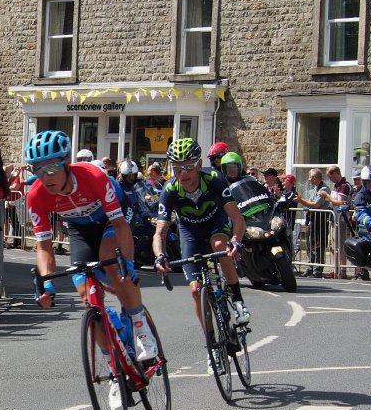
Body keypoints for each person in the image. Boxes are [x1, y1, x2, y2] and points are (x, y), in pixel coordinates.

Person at [26, 130, 159, 383]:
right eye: (38, 170)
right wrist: (47, 284)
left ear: (66, 163)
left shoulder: (93, 176)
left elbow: (120, 225)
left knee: (111, 262)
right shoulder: (36, 195)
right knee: (87, 298)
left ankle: (142, 330)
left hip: (113, 219)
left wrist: (128, 264)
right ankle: (115, 371)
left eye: (52, 168)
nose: (46, 177)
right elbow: (44, 246)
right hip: (80, 229)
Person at [153, 138, 250, 353]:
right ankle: (212, 344)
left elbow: (237, 218)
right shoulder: (170, 189)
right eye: (177, 167)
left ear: (198, 164)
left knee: (218, 246)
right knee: (196, 290)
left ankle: (238, 300)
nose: (183, 173)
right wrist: (160, 256)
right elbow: (160, 231)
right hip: (190, 232)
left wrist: (236, 241)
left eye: (188, 166)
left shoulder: (214, 179)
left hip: (216, 222)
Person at [295, 168, 331, 277]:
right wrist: (306, 202)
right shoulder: (315, 188)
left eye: (310, 177)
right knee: (310, 244)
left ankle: (318, 269)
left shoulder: (324, 189)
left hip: (321, 219)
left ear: (315, 178)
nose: (309, 179)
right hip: (313, 219)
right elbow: (310, 202)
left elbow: (316, 205)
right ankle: (310, 267)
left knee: (319, 244)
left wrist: (301, 201)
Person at [321, 165, 353, 279]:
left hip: (342, 219)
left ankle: (342, 269)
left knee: (341, 245)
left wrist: (328, 197)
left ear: (335, 174)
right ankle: (335, 269)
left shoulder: (344, 186)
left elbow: (340, 202)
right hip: (334, 218)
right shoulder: (337, 186)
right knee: (332, 245)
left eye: (331, 177)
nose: (330, 180)